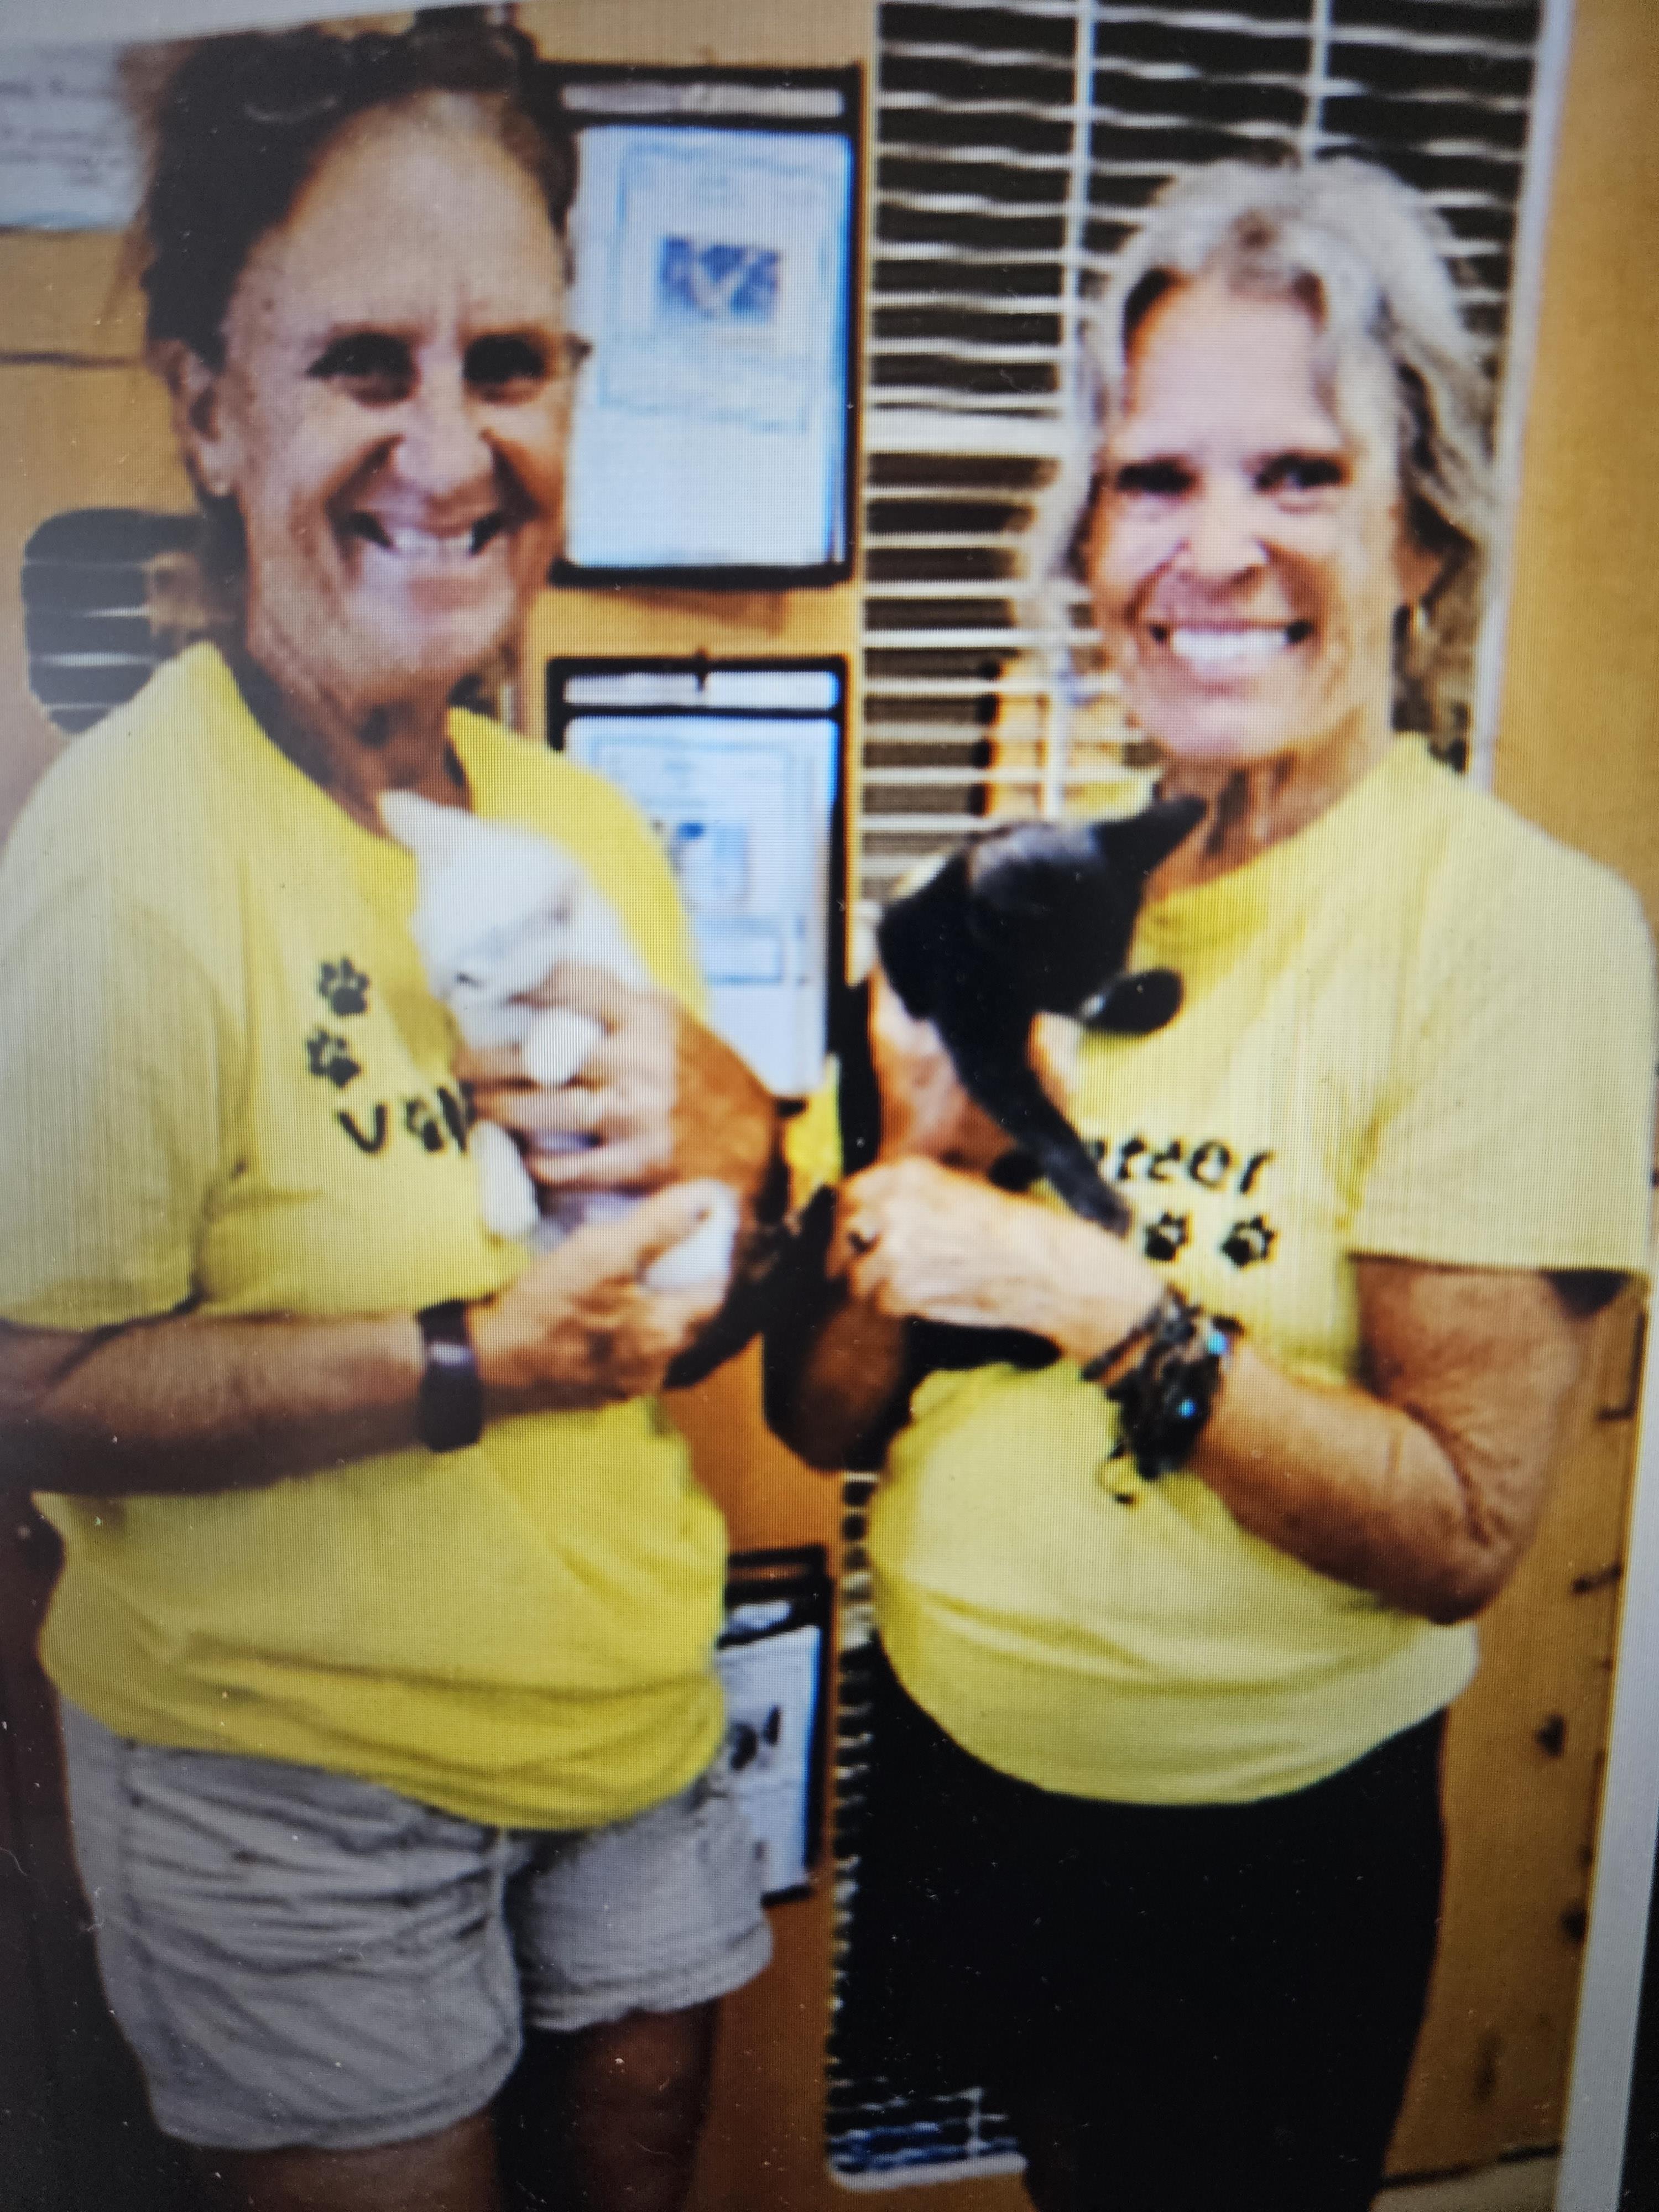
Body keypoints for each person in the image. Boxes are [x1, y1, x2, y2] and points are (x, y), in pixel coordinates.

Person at [769, 160, 1657, 2212]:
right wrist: (920, 1161)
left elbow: (1456, 1530)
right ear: (1091, 538)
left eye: (1300, 474)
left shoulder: (1513, 933)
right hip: (974, 1771)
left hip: (1249, 1853)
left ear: (1421, 532)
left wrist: (1095, 1298)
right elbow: (819, 1412)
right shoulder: (1042, 894)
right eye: (1154, 477)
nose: (1215, 547)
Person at [0, 23, 786, 2212]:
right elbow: (22, 1391)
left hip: (631, 1746)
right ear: (207, 408)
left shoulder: (592, 834)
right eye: (363, 360)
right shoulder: (132, 849)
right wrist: (470, 1362)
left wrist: (747, 1166)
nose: (450, 448)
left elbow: (695, 1313)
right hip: (300, 1799)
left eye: (511, 362)